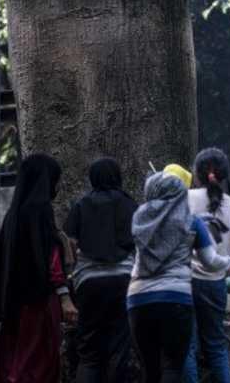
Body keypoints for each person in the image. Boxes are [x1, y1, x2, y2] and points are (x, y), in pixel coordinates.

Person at [128, 172, 230, 383]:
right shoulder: (190, 221)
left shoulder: (138, 217)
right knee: (173, 367)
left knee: (150, 369)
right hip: (175, 299)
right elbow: (211, 261)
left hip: (138, 299)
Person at [0, 153, 78, 383]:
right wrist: (65, 295)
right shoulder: (40, 211)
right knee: (38, 364)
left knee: (15, 362)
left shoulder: (13, 216)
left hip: (14, 304)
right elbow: (50, 260)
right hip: (38, 304)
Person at [64, 157, 138, 383]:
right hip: (123, 280)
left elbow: (70, 240)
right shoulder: (129, 203)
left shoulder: (82, 204)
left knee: (89, 352)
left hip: (88, 282)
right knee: (119, 348)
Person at [184, 148, 230, 383]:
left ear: (196, 174)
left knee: (186, 347)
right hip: (216, 283)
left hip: (186, 282)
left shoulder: (186, 199)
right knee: (217, 347)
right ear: (224, 174)